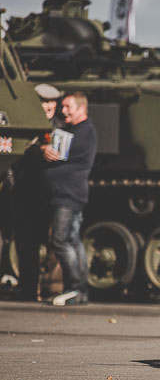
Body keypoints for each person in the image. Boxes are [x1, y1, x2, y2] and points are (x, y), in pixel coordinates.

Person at [40, 91, 97, 306]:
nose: (63, 111)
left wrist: (44, 148)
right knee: (72, 240)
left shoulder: (83, 132)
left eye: (67, 107)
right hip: (67, 194)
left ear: (81, 108)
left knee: (61, 240)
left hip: (68, 195)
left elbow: (57, 152)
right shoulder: (76, 130)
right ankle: (79, 290)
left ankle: (76, 287)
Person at [9, 84, 64, 301]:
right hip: (25, 192)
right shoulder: (23, 122)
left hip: (49, 195)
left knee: (54, 244)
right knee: (25, 243)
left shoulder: (59, 127)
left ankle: (54, 289)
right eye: (44, 101)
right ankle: (28, 289)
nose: (49, 105)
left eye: (52, 101)